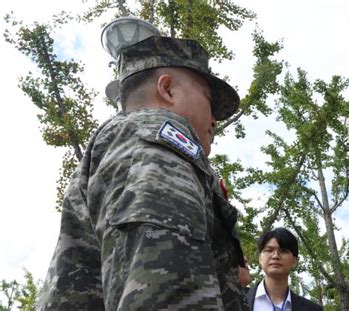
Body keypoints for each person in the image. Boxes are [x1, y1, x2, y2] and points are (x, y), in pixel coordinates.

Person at [38, 32, 247, 310]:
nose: (214, 120)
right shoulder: (157, 135)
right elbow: (164, 289)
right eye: (209, 101)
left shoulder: (128, 143)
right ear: (167, 89)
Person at [247, 228, 323, 310]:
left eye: (283, 251)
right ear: (260, 258)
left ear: (294, 261)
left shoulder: (312, 309)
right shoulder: (237, 300)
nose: (275, 256)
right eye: (269, 250)